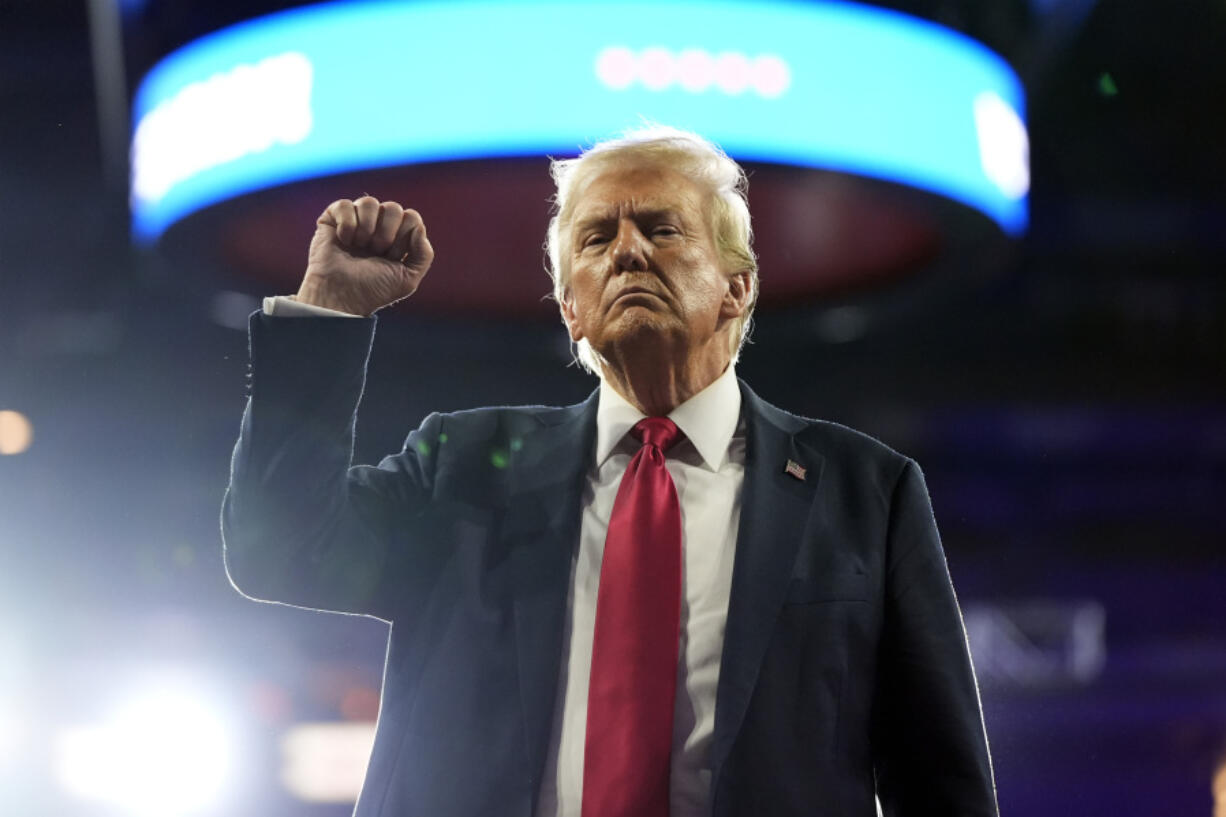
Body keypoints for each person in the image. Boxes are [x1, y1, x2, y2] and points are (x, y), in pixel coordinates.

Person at [222, 125, 998, 817]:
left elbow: (941, 784)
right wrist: (328, 310)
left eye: (661, 228)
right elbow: (282, 547)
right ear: (571, 308)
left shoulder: (867, 491)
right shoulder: (464, 467)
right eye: (596, 239)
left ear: (738, 287)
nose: (627, 250)